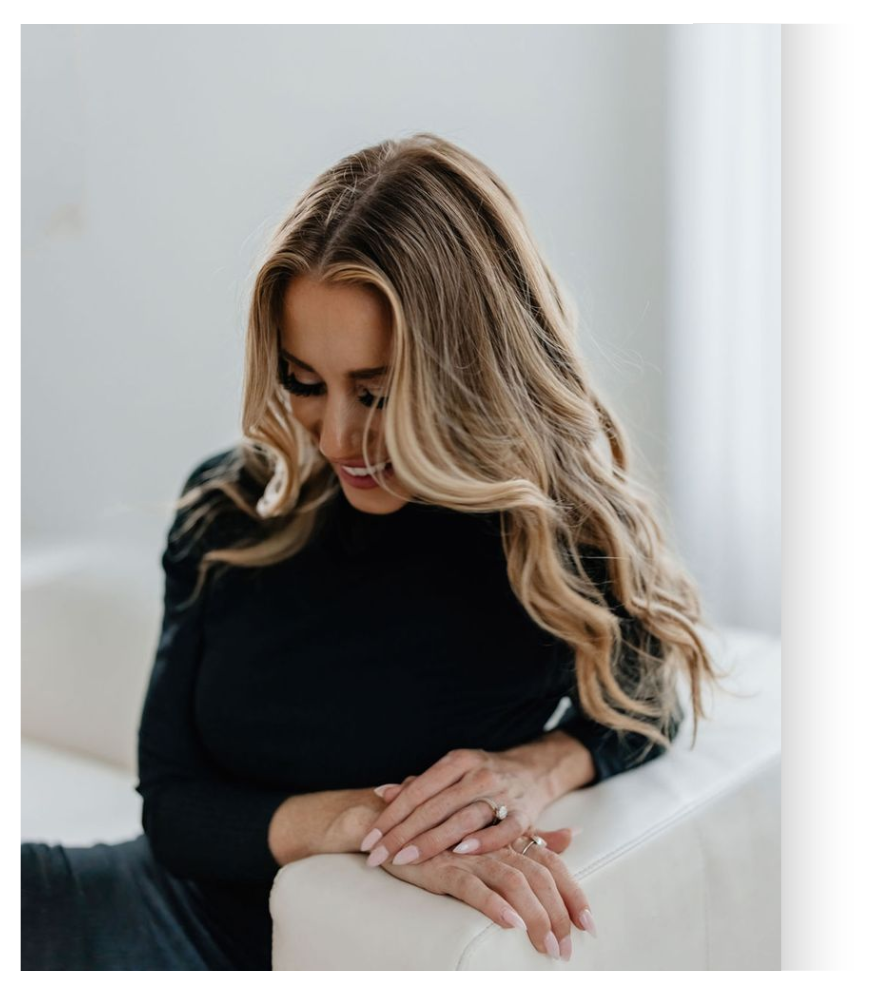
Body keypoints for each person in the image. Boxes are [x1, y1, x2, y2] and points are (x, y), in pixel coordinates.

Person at [21, 132, 724, 971]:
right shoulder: (231, 506)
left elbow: (649, 692)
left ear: (467, 369)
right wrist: (363, 821)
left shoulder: (541, 541)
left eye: (378, 392)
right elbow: (173, 810)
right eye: (305, 381)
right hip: (135, 911)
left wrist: (533, 771)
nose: (337, 437)